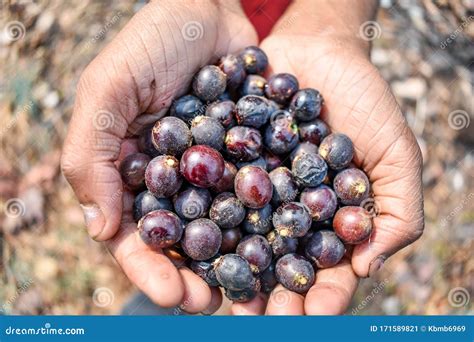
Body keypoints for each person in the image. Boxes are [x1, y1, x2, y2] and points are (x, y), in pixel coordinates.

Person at [61, 0, 424, 315]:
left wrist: (335, 28)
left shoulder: (279, 153)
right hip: (212, 35)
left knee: (185, 294)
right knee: (177, 288)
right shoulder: (198, 139)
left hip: (286, 36)